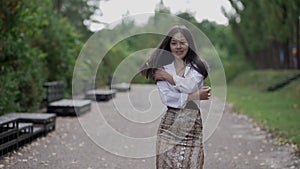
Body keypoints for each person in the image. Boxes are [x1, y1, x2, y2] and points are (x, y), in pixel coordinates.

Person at [140, 25, 211, 169]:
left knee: (192, 164)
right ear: (169, 45)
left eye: (182, 42)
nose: (178, 46)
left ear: (189, 44)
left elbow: (190, 85)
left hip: (193, 125)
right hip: (169, 126)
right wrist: (195, 96)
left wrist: (168, 77)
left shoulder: (197, 66)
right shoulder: (162, 68)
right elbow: (167, 98)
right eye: (174, 43)